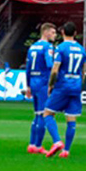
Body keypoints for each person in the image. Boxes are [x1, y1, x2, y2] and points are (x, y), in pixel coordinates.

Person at [42, 22, 86, 159]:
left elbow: (55, 69)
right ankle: (66, 150)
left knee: (47, 113)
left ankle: (57, 141)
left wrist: (50, 85)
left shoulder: (60, 48)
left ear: (62, 33)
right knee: (71, 118)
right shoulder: (81, 49)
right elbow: (83, 71)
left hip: (62, 85)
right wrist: (80, 84)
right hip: (76, 86)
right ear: (75, 33)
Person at [25, 23, 56, 154]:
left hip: (33, 81)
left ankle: (32, 144)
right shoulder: (48, 47)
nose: (55, 35)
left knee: (37, 113)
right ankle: (38, 146)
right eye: (53, 32)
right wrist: (52, 82)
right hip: (43, 82)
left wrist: (27, 85)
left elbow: (27, 68)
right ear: (46, 32)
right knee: (44, 114)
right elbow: (50, 65)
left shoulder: (32, 47)